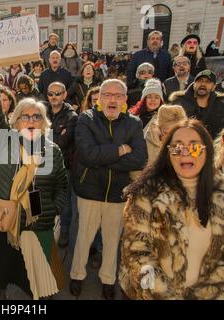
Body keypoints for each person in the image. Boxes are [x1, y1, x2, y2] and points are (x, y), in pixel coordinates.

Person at [0, 55, 68, 300]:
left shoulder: (52, 150)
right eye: (25, 116)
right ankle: (1, 291)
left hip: (39, 220)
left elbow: (62, 185)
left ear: (44, 123)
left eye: (36, 117)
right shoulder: (6, 142)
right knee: (5, 265)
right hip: (8, 216)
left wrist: (54, 209)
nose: (31, 121)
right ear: (16, 122)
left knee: (39, 273)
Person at [120, 119, 224, 300]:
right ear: (167, 154)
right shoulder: (145, 194)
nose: (185, 153)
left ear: (207, 151)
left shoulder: (220, 193)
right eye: (176, 147)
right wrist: (161, 294)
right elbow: (137, 255)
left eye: (194, 147)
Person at [69, 79, 148, 300]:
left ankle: (108, 280)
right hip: (89, 192)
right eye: (107, 94)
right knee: (84, 238)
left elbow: (139, 159)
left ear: (125, 100)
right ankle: (77, 275)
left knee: (113, 241)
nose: (112, 99)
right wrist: (121, 150)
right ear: (100, 98)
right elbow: (87, 154)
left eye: (118, 95)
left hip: (117, 194)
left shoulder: (134, 123)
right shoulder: (86, 119)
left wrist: (102, 157)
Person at [44, 82, 78, 248]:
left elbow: (63, 142)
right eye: (51, 94)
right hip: (41, 165)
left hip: (63, 167)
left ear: (64, 94)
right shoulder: (42, 110)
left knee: (64, 202)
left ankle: (64, 230)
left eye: (58, 93)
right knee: (41, 197)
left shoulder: (72, 116)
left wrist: (44, 137)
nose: (54, 97)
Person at [170, 70, 224, 138]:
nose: (203, 84)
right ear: (194, 84)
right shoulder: (179, 103)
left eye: (208, 82)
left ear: (213, 87)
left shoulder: (221, 105)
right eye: (199, 81)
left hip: (213, 146)